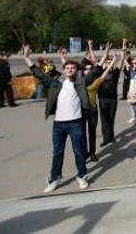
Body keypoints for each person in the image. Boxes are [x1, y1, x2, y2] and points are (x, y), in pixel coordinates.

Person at [22, 44, 92, 193]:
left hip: (76, 123)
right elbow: (38, 73)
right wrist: (26, 58)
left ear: (77, 71)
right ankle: (55, 178)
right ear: (64, 70)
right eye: (67, 68)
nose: (70, 70)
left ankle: (81, 176)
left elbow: (96, 72)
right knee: (57, 152)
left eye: (73, 68)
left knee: (79, 151)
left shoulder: (81, 83)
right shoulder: (55, 84)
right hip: (59, 125)